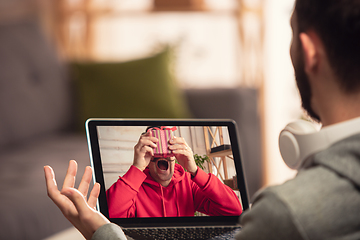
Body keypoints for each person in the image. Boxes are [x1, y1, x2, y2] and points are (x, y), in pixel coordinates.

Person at [45, 0, 360, 239]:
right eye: (154, 143)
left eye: (169, 141)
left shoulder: (276, 210)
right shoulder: (134, 181)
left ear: (309, 53)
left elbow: (234, 211)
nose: (163, 150)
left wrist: (195, 170)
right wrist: (136, 170)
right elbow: (115, 213)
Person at [106, 128, 242, 218]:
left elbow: (233, 210)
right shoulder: (134, 186)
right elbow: (108, 217)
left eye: (167, 147)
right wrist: (136, 167)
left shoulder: (188, 182)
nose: (162, 155)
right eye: (155, 148)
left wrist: (195, 170)